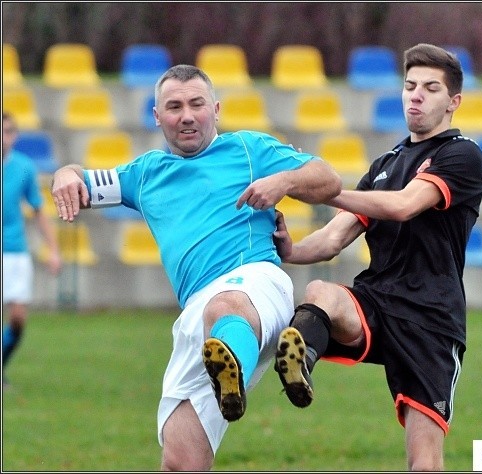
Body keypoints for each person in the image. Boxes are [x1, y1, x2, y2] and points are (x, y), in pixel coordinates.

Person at [50, 64, 341, 471]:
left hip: (255, 285)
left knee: (224, 307)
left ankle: (233, 366)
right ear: (157, 116)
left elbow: (329, 178)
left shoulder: (248, 149)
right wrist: (65, 174)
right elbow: (82, 180)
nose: (186, 115)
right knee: (180, 460)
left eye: (196, 104)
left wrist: (285, 182)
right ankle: (226, 372)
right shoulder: (146, 174)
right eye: (173, 106)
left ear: (215, 109)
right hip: (197, 316)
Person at [272, 43, 482, 471]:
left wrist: (318, 188)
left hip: (431, 319)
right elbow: (333, 239)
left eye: (430, 88)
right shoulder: (385, 163)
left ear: (453, 102)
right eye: (410, 86)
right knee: (321, 292)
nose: (416, 95)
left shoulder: (462, 154)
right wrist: (290, 249)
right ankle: (297, 368)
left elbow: (405, 205)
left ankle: (297, 356)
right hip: (378, 301)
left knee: (423, 464)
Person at [2, 112, 62, 389]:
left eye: (9, 131)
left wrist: (53, 249)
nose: (5, 138)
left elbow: (38, 211)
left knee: (17, 320)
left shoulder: (24, 167)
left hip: (15, 250)